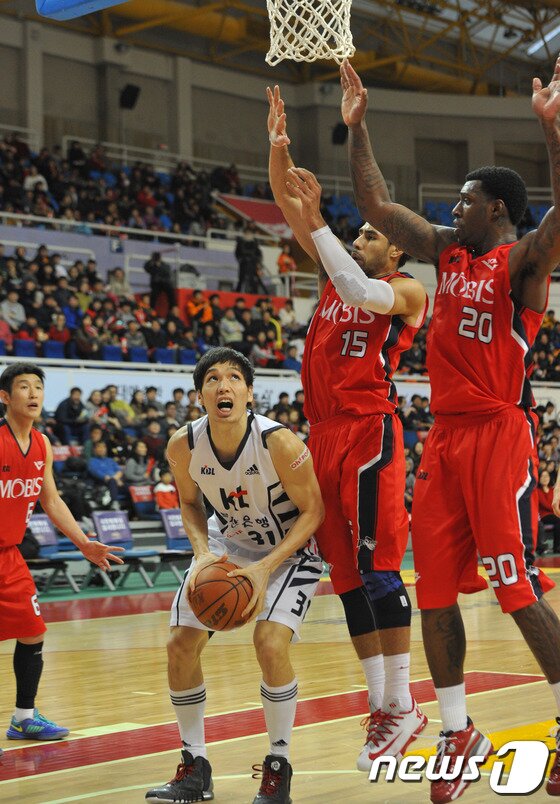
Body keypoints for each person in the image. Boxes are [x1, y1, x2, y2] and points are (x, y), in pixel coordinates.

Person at [340, 56, 560, 800]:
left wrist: (553, 132)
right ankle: (459, 731)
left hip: (499, 435)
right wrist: (357, 124)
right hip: (445, 439)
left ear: (496, 209)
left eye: (465, 201)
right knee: (433, 591)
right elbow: (374, 202)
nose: (453, 208)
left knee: (516, 588)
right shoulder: (447, 252)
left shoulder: (521, 265)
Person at [267, 85, 429, 771]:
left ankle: (405, 704)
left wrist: (323, 228)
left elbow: (362, 286)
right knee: (344, 577)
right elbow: (288, 203)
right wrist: (277, 149)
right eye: (356, 232)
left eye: (370, 233)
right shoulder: (334, 279)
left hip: (369, 433)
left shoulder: (408, 288)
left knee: (377, 570)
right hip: (324, 436)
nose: (357, 238)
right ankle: (381, 709)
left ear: (393, 252)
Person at [145, 347, 324, 804]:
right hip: (229, 545)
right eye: (212, 379)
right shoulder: (183, 444)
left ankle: (278, 764)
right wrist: (203, 552)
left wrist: (264, 569)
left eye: (233, 378)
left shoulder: (279, 443)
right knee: (179, 643)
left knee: (268, 642)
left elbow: (313, 512)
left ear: (248, 392)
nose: (223, 386)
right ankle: (194, 765)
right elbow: (189, 503)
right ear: (200, 395)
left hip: (290, 549)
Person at [0, 363, 123, 742]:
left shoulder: (41, 445)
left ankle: (24, 717)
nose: (33, 393)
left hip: (9, 555)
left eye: (38, 386)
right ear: (5, 397)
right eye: (24, 387)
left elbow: (50, 500)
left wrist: (83, 542)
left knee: (33, 632)